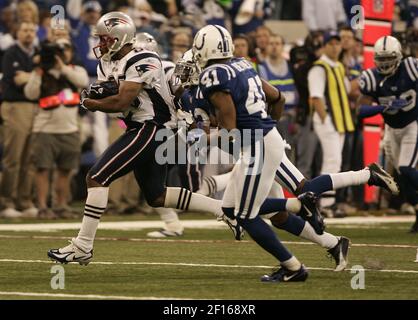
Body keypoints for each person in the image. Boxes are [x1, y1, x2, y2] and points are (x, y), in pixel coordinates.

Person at [47, 13, 242, 265]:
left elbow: (121, 101)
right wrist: (100, 95)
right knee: (156, 196)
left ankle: (82, 246)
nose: (101, 44)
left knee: (96, 177)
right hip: (140, 127)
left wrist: (90, 102)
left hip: (154, 128)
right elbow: (114, 99)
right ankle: (224, 210)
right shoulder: (106, 63)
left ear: (120, 38)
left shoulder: (143, 59)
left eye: (105, 39)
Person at [193, 24, 310, 282]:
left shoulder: (213, 75)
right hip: (265, 137)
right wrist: (269, 125)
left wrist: (207, 139)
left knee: (246, 215)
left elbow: (231, 126)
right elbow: (278, 98)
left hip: (255, 144)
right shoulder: (242, 64)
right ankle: (298, 204)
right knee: (232, 209)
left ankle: (293, 267)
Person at [357, 36, 418, 233]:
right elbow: (361, 109)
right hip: (392, 129)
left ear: (399, 56)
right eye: (381, 59)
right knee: (402, 177)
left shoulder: (411, 68)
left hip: (413, 124)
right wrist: (383, 107)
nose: (384, 63)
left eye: (388, 58)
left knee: (406, 168)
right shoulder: (371, 78)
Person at [24, 38, 89, 219]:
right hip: (44, 129)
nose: (62, 54)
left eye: (65, 49)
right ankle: (43, 207)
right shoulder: (41, 72)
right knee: (42, 169)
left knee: (65, 170)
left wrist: (63, 67)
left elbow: (82, 81)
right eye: (59, 51)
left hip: (70, 129)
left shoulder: (76, 70)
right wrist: (37, 74)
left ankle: (61, 206)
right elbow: (30, 93)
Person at [308, 31, 355, 216]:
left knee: (336, 161)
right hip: (328, 120)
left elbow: (348, 90)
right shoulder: (319, 68)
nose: (335, 46)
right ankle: (325, 204)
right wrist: (325, 119)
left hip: (340, 121)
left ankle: (328, 202)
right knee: (332, 160)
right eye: (331, 43)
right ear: (325, 46)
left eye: (337, 43)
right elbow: (316, 97)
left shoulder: (339, 67)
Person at [0, 21, 38, 218]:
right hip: (16, 106)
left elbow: (37, 79)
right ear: (17, 33)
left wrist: (29, 76)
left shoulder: (38, 53)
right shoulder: (11, 53)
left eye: (32, 30)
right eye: (25, 30)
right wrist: (36, 76)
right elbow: (17, 80)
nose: (29, 33)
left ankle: (25, 201)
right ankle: (7, 202)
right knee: (13, 157)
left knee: (30, 158)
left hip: (36, 107)